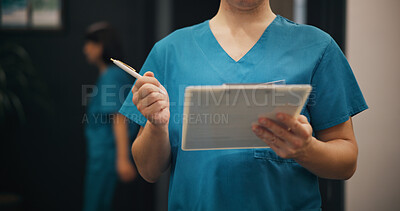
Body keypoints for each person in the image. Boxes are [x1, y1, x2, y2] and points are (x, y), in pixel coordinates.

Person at [119, 0, 368, 210]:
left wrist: (306, 150)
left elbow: (347, 160)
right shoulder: (169, 52)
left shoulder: (317, 47)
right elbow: (148, 170)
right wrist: (156, 125)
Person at [82, 22, 138, 211]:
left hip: (107, 157)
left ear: (102, 46)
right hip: (102, 156)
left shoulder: (111, 76)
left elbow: (119, 118)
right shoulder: (110, 75)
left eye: (91, 43)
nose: (85, 49)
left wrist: (122, 159)